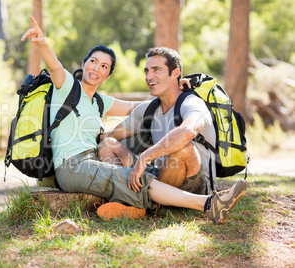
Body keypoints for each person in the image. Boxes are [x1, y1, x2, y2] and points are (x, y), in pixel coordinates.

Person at [22, 16, 247, 224]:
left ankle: (137, 203)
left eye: (104, 66)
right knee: (118, 160)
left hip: (187, 175)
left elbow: (150, 111)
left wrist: (180, 86)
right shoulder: (66, 87)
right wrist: (42, 44)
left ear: (108, 75)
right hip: (72, 165)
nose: (96, 68)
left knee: (157, 150)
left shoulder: (101, 102)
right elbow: (55, 66)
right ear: (84, 63)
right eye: (93, 61)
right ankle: (201, 204)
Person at [99, 47, 216, 196]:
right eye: (147, 71)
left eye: (156, 70)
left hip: (196, 185)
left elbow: (188, 131)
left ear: (175, 73)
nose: (149, 76)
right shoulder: (148, 109)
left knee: (182, 148)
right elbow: (113, 135)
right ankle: (127, 196)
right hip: (162, 177)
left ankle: (149, 201)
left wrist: (144, 157)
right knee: (107, 145)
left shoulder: (192, 103)